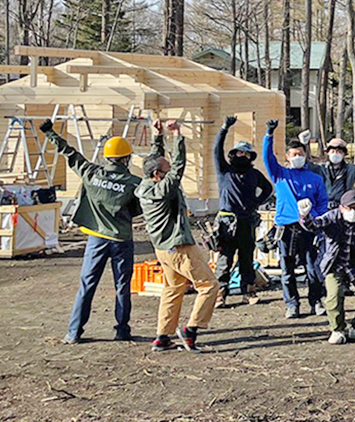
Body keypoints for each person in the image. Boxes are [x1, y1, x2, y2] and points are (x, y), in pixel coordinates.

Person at [39, 120, 141, 345]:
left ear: (107, 157)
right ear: (126, 159)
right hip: (121, 240)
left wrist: (50, 133)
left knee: (87, 285)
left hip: (96, 238)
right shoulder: (134, 183)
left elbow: (69, 153)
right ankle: (122, 330)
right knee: (122, 287)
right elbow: (139, 209)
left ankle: (74, 332)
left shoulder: (91, 173)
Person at [136, 119, 218, 353]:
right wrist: (178, 136)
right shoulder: (163, 190)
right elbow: (178, 168)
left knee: (173, 289)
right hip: (179, 246)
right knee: (209, 285)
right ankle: (191, 330)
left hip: (162, 249)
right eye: (166, 170)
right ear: (158, 175)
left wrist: (158, 136)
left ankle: (162, 336)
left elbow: (155, 160)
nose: (170, 170)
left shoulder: (145, 186)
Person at [263, 120, 329, 319]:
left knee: (312, 267)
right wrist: (269, 134)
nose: (298, 157)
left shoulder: (314, 178)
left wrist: (314, 215)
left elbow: (323, 202)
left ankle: (316, 301)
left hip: (308, 227)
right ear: (287, 157)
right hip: (286, 227)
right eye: (294, 154)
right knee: (287, 269)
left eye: (301, 154)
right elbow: (267, 158)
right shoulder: (280, 175)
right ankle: (292, 303)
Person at [298, 189, 355, 344]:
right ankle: (337, 329)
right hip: (334, 264)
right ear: (342, 208)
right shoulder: (332, 217)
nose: (353, 211)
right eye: (349, 208)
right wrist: (304, 215)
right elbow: (314, 226)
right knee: (333, 296)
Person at [212, 115, 273, 307]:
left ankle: (249, 292)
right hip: (226, 222)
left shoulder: (254, 174)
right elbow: (216, 151)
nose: (242, 156)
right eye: (239, 153)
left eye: (246, 154)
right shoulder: (224, 171)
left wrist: (256, 202)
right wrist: (224, 129)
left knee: (247, 257)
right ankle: (220, 294)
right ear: (233, 155)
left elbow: (268, 189)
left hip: (247, 220)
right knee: (224, 259)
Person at [307, 134, 355, 203]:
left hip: (343, 205)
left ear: (344, 154)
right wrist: (305, 145)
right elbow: (306, 165)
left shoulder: (351, 169)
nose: (335, 154)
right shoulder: (321, 168)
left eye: (339, 152)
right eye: (333, 151)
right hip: (323, 204)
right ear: (328, 153)